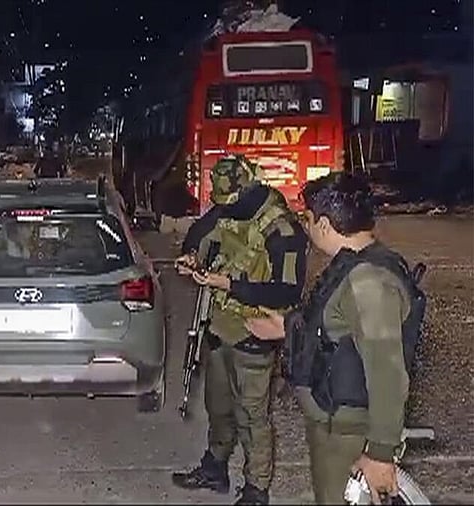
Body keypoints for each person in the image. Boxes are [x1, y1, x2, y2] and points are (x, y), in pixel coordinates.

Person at [246, 172, 422, 504]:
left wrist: (381, 453)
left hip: (351, 435)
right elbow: (335, 328)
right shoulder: (350, 268)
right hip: (334, 424)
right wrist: (287, 326)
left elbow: (387, 372)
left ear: (324, 225)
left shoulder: (369, 282)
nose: (306, 227)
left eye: (308, 219)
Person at [170, 154, 309, 505]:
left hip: (255, 334)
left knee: (252, 418)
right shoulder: (228, 208)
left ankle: (256, 490)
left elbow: (287, 291)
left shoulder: (282, 229)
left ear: (249, 190)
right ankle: (214, 468)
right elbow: (202, 230)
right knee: (218, 407)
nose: (225, 211)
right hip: (219, 327)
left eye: (231, 203)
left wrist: (227, 283)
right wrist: (190, 255)